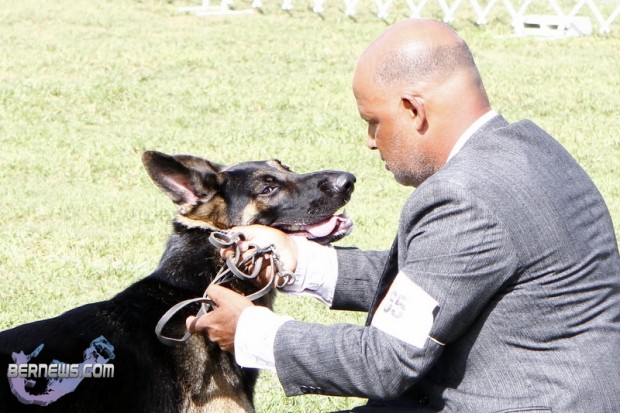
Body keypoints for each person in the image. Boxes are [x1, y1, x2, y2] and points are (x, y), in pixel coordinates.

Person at [187, 18, 620, 412]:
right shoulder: (534, 150)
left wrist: (253, 332)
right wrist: (299, 261)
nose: (371, 141)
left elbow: (385, 361)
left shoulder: (463, 197)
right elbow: (438, 277)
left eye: (374, 121)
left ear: (414, 110)